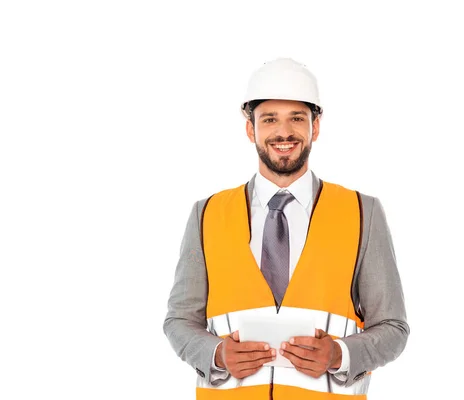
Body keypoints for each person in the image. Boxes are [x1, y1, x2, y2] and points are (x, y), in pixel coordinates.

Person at [162, 57, 409, 400]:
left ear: (315, 127)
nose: (284, 132)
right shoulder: (207, 213)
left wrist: (340, 355)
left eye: (297, 118)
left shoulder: (362, 211)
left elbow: (393, 328)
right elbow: (179, 321)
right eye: (269, 119)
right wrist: (217, 355)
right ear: (251, 129)